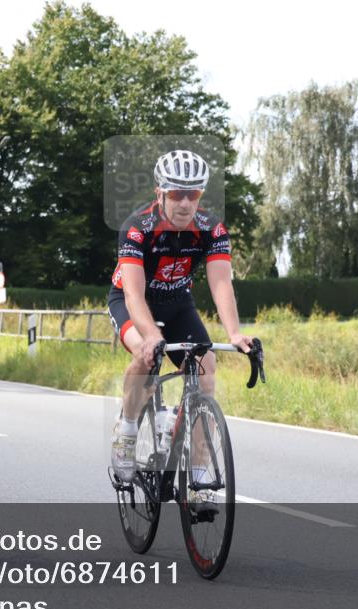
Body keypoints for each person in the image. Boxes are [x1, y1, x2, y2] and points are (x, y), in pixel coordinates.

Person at [107, 150, 252, 506]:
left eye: (194, 194)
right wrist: (152, 336)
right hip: (131, 301)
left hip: (177, 305)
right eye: (176, 194)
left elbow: (221, 285)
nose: (185, 203)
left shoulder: (211, 228)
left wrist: (234, 333)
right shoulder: (137, 227)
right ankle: (127, 430)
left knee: (205, 369)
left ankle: (200, 471)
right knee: (145, 356)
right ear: (160, 192)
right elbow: (135, 294)